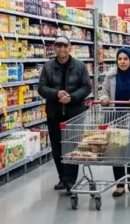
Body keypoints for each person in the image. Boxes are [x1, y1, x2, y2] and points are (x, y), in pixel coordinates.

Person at [37, 36, 92, 191]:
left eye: (64, 46)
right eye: (58, 46)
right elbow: (41, 87)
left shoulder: (80, 66)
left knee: (72, 146)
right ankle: (62, 178)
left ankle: (70, 180)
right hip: (54, 113)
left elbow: (87, 87)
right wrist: (56, 94)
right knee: (57, 147)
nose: (61, 49)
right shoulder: (48, 67)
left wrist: (72, 97)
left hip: (74, 113)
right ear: (54, 48)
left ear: (70, 48)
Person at [97, 46, 130, 197]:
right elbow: (104, 91)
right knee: (116, 149)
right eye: (120, 59)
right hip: (115, 116)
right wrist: (104, 98)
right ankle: (120, 184)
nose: (122, 62)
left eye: (125, 59)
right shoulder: (111, 74)